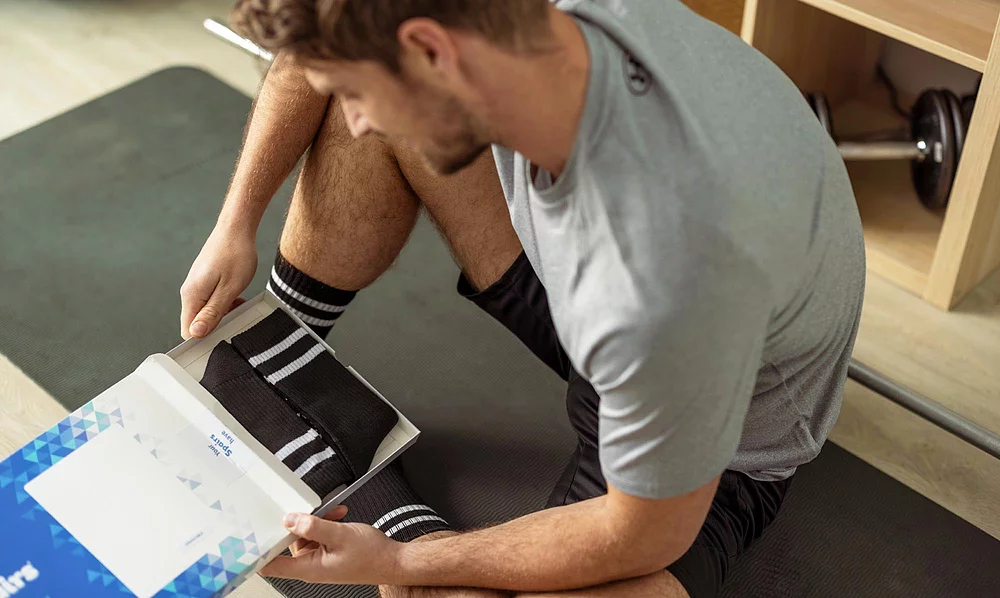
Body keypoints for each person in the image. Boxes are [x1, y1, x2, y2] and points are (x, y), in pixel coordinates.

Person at [179, 0, 866, 596]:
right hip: (596, 289)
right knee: (386, 106)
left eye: (354, 92)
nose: (354, 119)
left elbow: (639, 536)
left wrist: (405, 559)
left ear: (432, 49)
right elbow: (332, 32)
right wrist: (235, 221)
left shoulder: (662, 272)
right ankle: (278, 360)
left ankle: (341, 474)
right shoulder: (505, 30)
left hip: (720, 436)